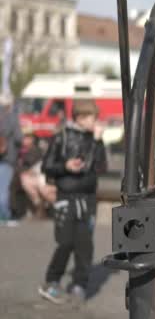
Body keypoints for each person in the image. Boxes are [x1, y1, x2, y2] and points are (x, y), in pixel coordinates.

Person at [38, 99, 107, 306]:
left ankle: (80, 284)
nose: (95, 122)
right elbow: (47, 166)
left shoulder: (95, 139)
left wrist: (97, 142)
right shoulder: (62, 137)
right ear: (80, 117)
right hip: (66, 198)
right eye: (92, 118)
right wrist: (66, 166)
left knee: (84, 245)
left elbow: (100, 166)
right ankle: (51, 281)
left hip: (87, 198)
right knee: (65, 242)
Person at [0, 93, 22, 226]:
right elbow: (19, 138)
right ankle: (5, 216)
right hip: (7, 157)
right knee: (3, 189)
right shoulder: (12, 118)